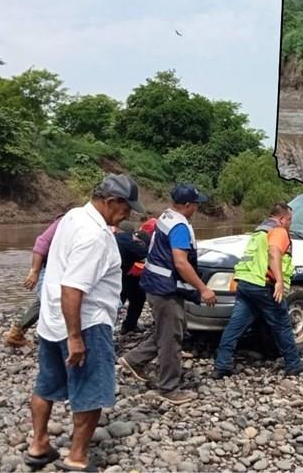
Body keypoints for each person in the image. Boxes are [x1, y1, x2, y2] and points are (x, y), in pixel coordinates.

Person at [24, 174, 144, 472]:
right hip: (86, 324)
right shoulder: (95, 236)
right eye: (127, 207)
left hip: (52, 321)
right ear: (111, 201)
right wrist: (76, 337)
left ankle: (39, 445)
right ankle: (77, 458)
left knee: (46, 385)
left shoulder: (73, 217)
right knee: (91, 392)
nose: (129, 213)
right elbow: (73, 288)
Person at [119, 184, 216, 405]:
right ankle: (168, 388)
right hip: (165, 289)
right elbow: (181, 263)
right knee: (171, 338)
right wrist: (203, 288)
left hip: (154, 284)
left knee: (171, 328)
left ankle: (133, 360)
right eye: (196, 204)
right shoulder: (180, 227)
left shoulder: (166, 217)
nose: (197, 208)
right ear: (188, 205)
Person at [212, 203, 303, 378]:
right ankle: (293, 363)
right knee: (282, 323)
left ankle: (222, 365)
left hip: (245, 283)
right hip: (263, 284)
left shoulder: (259, 232)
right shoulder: (278, 231)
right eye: (290, 220)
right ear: (282, 219)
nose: (290, 223)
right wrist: (280, 281)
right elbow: (274, 252)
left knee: (235, 326)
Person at [4, 214, 64, 348]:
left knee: (45, 301)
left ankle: (17, 333)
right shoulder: (66, 221)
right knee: (48, 301)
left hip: (60, 270)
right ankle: (18, 334)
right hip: (48, 269)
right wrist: (34, 272)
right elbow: (41, 242)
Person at [115, 229, 151, 335]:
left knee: (137, 297)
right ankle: (126, 326)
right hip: (122, 277)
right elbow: (146, 255)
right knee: (121, 301)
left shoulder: (121, 237)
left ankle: (128, 326)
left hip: (124, 275)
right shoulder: (134, 244)